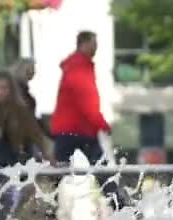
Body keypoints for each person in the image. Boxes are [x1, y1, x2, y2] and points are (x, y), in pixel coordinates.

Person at [50, 31, 129, 210]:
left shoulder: (76, 66)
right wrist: (102, 123)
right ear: (83, 44)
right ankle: (119, 204)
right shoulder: (80, 68)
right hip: (79, 129)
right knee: (99, 168)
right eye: (94, 43)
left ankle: (47, 206)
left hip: (70, 129)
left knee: (59, 171)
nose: (96, 47)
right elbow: (87, 101)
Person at [0, 71, 54, 220]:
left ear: (11, 89)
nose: (0, 92)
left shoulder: (21, 111)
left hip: (13, 159)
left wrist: (48, 156)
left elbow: (35, 135)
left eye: (4, 88)